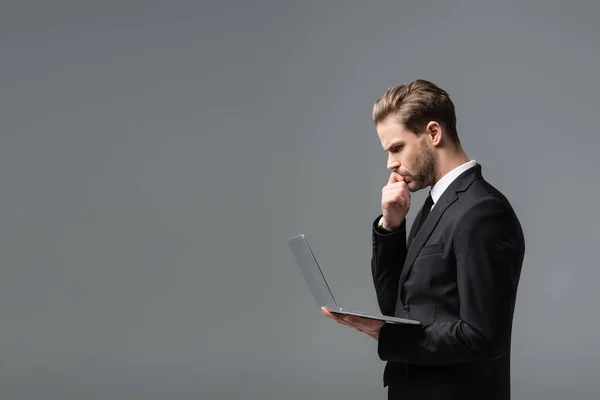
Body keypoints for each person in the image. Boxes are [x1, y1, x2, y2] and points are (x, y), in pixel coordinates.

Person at [321, 79, 525, 399]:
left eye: (397, 148)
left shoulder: (482, 212)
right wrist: (391, 227)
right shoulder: (435, 206)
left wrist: (387, 336)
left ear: (433, 133)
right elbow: (398, 308)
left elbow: (483, 336)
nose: (390, 163)